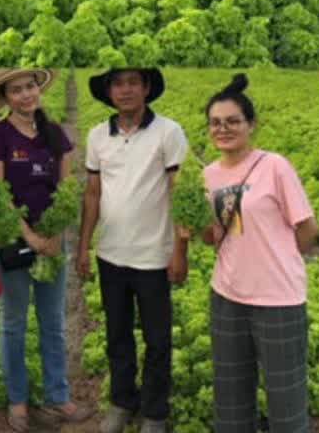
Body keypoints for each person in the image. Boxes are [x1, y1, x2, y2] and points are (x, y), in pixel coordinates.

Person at [195, 74, 319, 432]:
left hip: (277, 299)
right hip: (226, 294)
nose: (223, 129)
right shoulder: (209, 176)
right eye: (216, 123)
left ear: (251, 124)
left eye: (232, 121)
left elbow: (307, 228)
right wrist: (193, 226)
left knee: (286, 401)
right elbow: (216, 236)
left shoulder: (274, 166)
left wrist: (279, 260)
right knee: (230, 398)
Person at [0, 69, 92, 432]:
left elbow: (66, 188)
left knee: (52, 322)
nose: (26, 94)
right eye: (16, 90)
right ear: (4, 98)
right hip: (12, 241)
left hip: (53, 239)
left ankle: (58, 396)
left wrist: (54, 233)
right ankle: (18, 401)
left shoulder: (53, 133)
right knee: (13, 323)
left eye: (30, 87)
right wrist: (29, 235)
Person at [77, 68, 189, 433]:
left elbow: (178, 192)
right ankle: (122, 402)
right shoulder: (97, 135)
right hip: (110, 253)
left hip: (154, 256)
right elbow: (92, 193)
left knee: (158, 340)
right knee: (117, 334)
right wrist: (83, 246)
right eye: (117, 83)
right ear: (108, 91)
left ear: (146, 88)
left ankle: (155, 413)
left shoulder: (168, 132)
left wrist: (179, 250)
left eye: (133, 83)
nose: (125, 90)